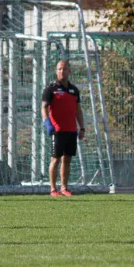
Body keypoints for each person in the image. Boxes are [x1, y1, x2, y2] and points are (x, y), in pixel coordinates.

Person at [41, 60, 85, 197]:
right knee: (55, 159)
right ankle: (53, 189)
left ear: (69, 71)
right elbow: (43, 107)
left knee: (67, 159)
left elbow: (78, 111)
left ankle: (64, 188)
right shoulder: (51, 89)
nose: (62, 71)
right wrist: (48, 123)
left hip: (71, 130)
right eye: (59, 69)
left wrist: (82, 127)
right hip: (57, 130)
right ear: (56, 71)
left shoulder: (74, 90)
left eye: (65, 69)